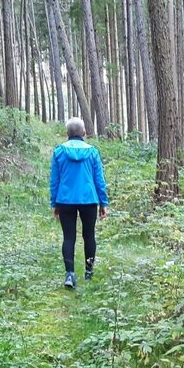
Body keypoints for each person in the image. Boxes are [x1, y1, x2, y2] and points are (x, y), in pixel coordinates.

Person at [49, 118, 109, 288]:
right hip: (89, 200)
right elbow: (99, 180)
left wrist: (55, 203)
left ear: (67, 133)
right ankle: (89, 273)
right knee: (89, 235)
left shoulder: (59, 151)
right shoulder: (92, 152)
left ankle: (70, 275)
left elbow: (55, 180)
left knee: (68, 237)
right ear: (84, 132)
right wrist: (103, 202)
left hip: (65, 200)